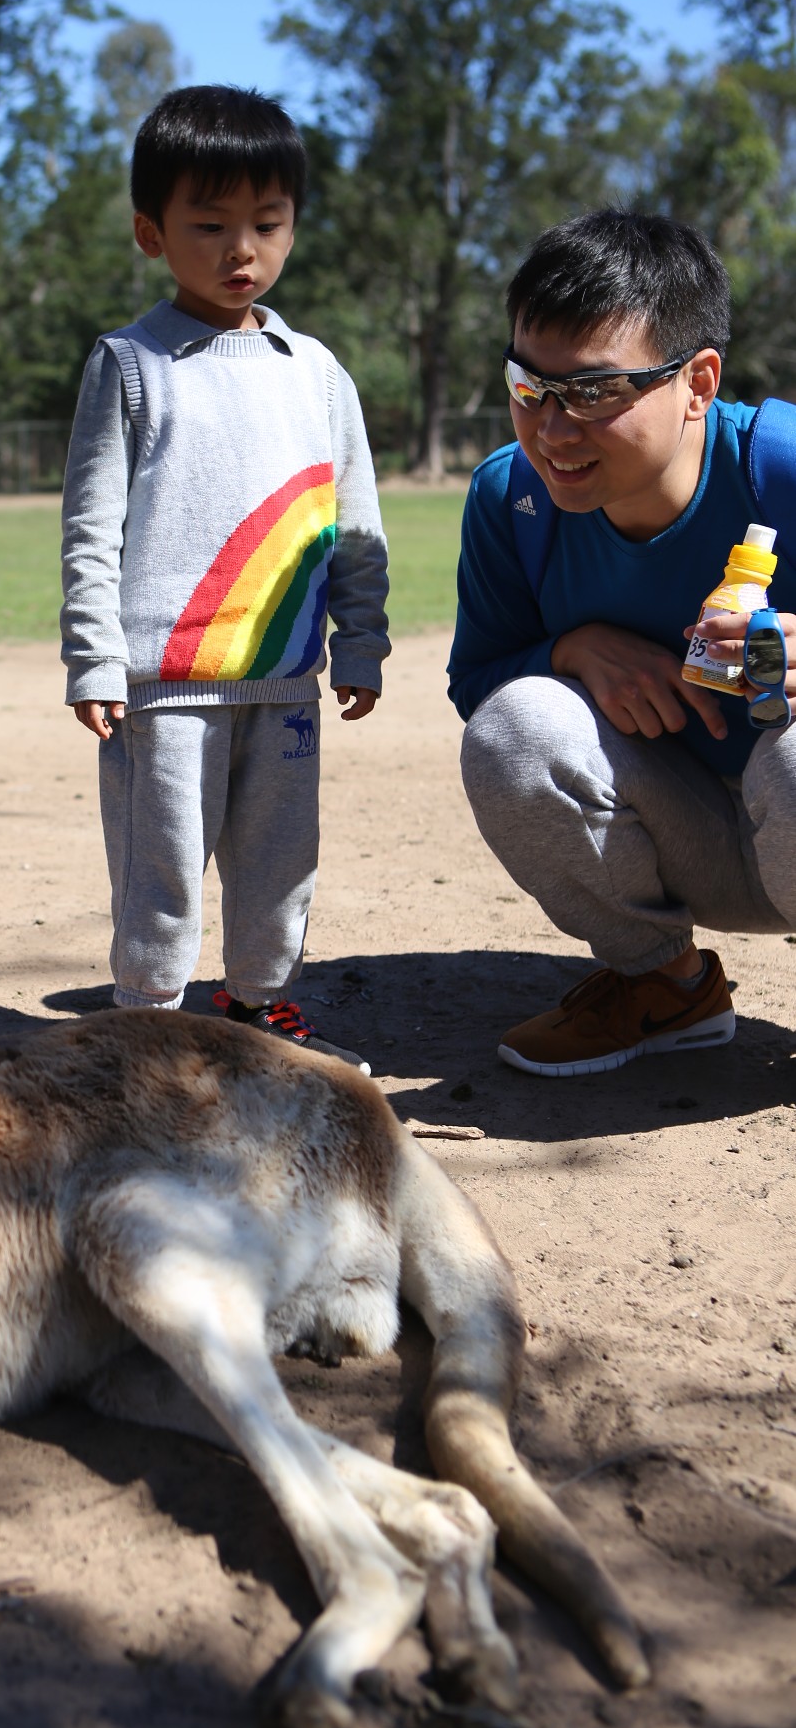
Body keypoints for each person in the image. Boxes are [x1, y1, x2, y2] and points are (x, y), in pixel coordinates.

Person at [60, 83, 390, 1067]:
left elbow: (355, 522)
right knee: (160, 869)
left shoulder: (317, 372)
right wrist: (94, 658)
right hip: (164, 684)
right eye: (209, 224)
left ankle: (259, 1006)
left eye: (267, 222)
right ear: (150, 232)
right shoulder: (129, 363)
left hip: (285, 676)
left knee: (278, 860)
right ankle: (147, 1023)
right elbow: (90, 523)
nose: (241, 248)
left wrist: (361, 640)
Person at [449, 208, 796, 1077]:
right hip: (694, 835)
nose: (552, 430)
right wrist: (570, 649)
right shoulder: (510, 501)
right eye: (529, 385)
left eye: (595, 392)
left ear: (698, 383)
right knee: (515, 726)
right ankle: (663, 988)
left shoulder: (781, 467)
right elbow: (478, 686)